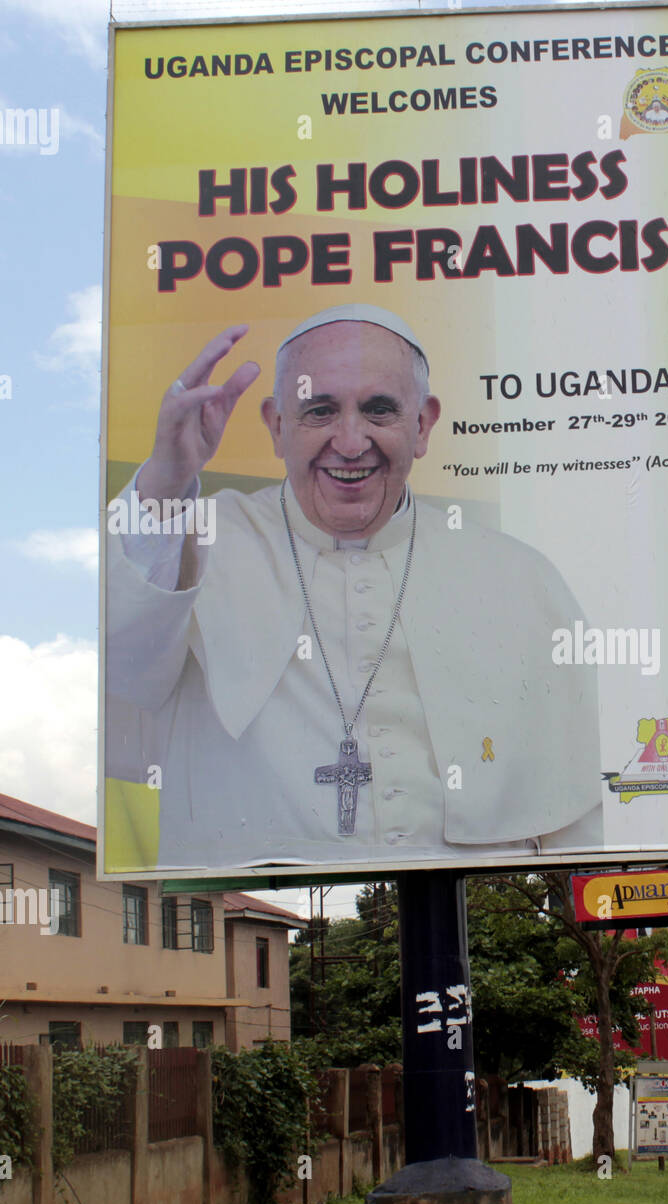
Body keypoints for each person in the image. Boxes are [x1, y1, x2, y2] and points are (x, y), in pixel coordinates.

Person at [106, 307, 602, 870]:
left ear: (422, 426)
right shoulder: (192, 536)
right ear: (276, 425)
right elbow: (128, 673)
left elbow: (575, 811)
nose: (349, 442)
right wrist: (163, 485)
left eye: (379, 410)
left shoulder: (517, 576)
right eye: (319, 411)